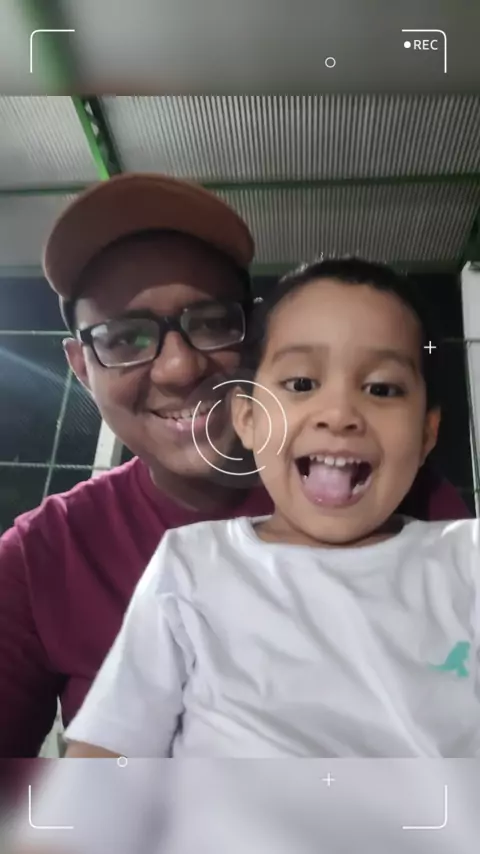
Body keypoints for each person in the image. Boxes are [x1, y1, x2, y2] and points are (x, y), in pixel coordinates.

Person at [0, 175, 469, 761]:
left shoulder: (415, 509)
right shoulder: (42, 556)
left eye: (210, 322)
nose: (178, 369)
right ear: (80, 365)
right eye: (123, 338)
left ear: (254, 337)